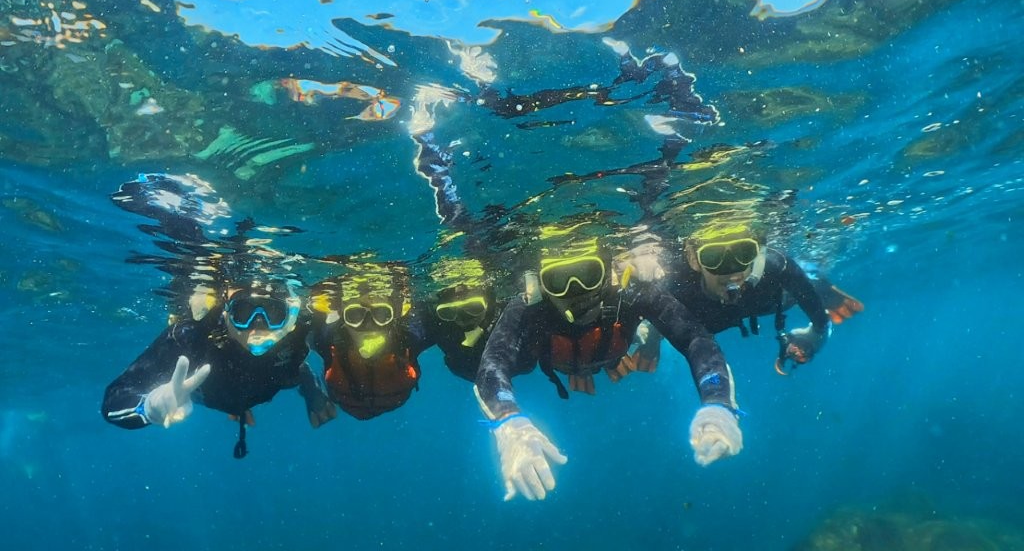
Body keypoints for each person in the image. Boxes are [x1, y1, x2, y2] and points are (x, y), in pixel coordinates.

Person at [474, 235, 743, 501]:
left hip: (610, 351)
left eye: (588, 274)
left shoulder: (631, 291)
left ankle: (645, 338)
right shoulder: (528, 307)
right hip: (570, 361)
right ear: (543, 286)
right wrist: (509, 421)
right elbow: (493, 364)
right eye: (559, 280)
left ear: (606, 274)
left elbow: (696, 339)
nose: (576, 291)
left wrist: (718, 404)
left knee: (647, 334)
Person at [101, 279, 318, 458]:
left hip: (265, 386)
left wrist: (312, 389)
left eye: (274, 312)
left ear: (290, 315)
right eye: (243, 312)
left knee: (295, 372)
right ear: (226, 312)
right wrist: (149, 408)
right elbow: (114, 401)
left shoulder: (300, 331)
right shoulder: (192, 338)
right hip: (214, 395)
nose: (258, 326)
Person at [668, 221, 863, 374]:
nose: (732, 272)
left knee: (792, 292)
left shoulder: (776, 266)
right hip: (747, 306)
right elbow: (659, 311)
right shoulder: (678, 281)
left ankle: (815, 279)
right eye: (712, 256)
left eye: (744, 253)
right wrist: (652, 337)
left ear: (756, 254)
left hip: (768, 301)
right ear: (694, 260)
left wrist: (815, 334)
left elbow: (819, 320)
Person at [303, 265, 431, 422]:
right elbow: (293, 348)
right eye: (355, 315)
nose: (369, 325)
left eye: (381, 314)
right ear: (342, 316)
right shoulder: (327, 338)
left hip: (380, 402)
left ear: (395, 314)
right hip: (355, 401)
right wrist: (311, 389)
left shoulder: (410, 337)